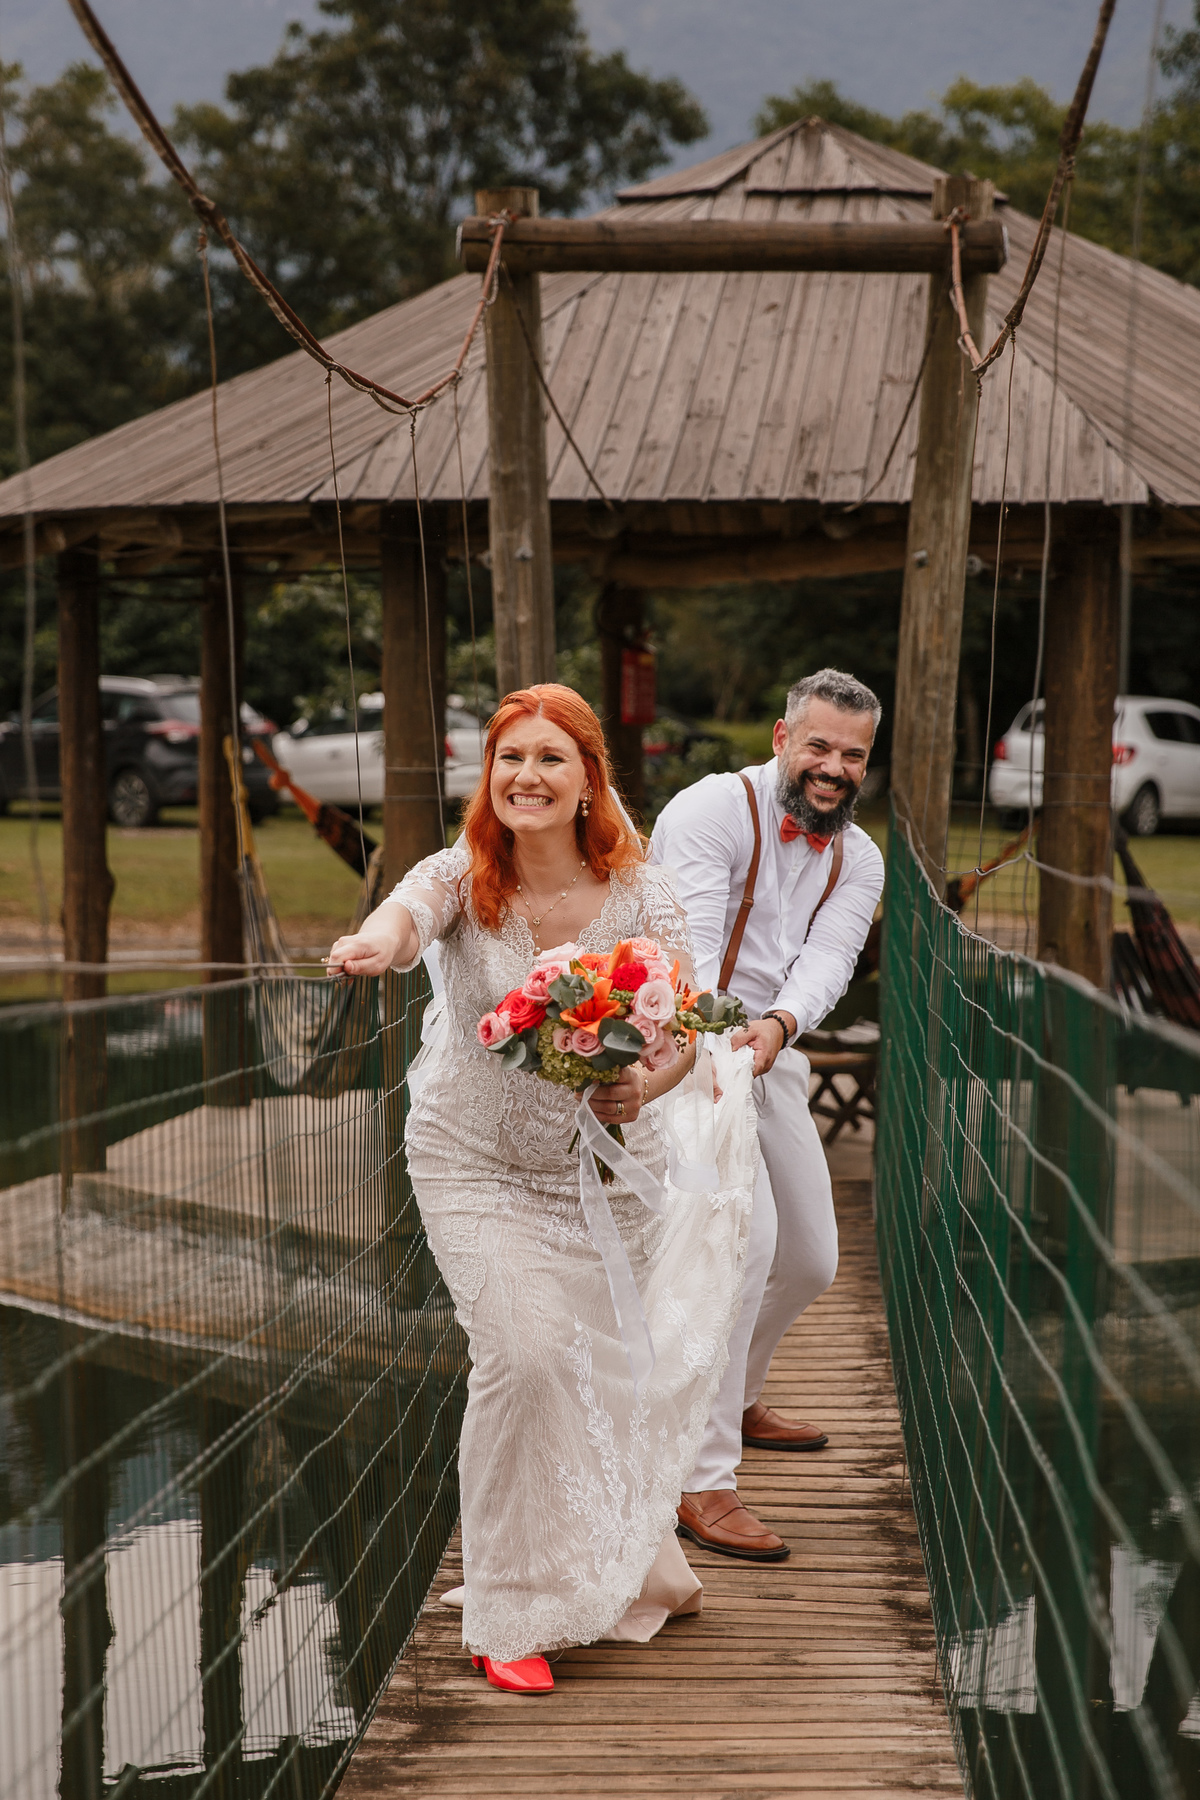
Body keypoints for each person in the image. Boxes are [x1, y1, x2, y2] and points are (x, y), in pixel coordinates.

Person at [328, 683, 757, 1694]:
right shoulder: (461, 875)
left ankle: (600, 1561)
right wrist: (372, 948)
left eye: (550, 759)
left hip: (604, 1176)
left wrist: (639, 1080)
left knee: (600, 1375)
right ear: (490, 777)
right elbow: (405, 915)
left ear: (587, 781)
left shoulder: (641, 895)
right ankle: (508, 1607)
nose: (526, 776)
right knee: (522, 1356)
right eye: (508, 757)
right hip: (469, 1158)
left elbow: (690, 1030)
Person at [650, 669, 885, 1562]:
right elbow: (691, 953)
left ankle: (738, 1396)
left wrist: (779, 1029)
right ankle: (701, 1478)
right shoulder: (710, 811)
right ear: (783, 737)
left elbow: (826, 964)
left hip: (770, 1049)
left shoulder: (859, 858)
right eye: (819, 746)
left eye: (852, 755)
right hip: (683, 1045)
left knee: (813, 1256)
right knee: (738, 1249)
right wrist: (723, 1048)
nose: (832, 768)